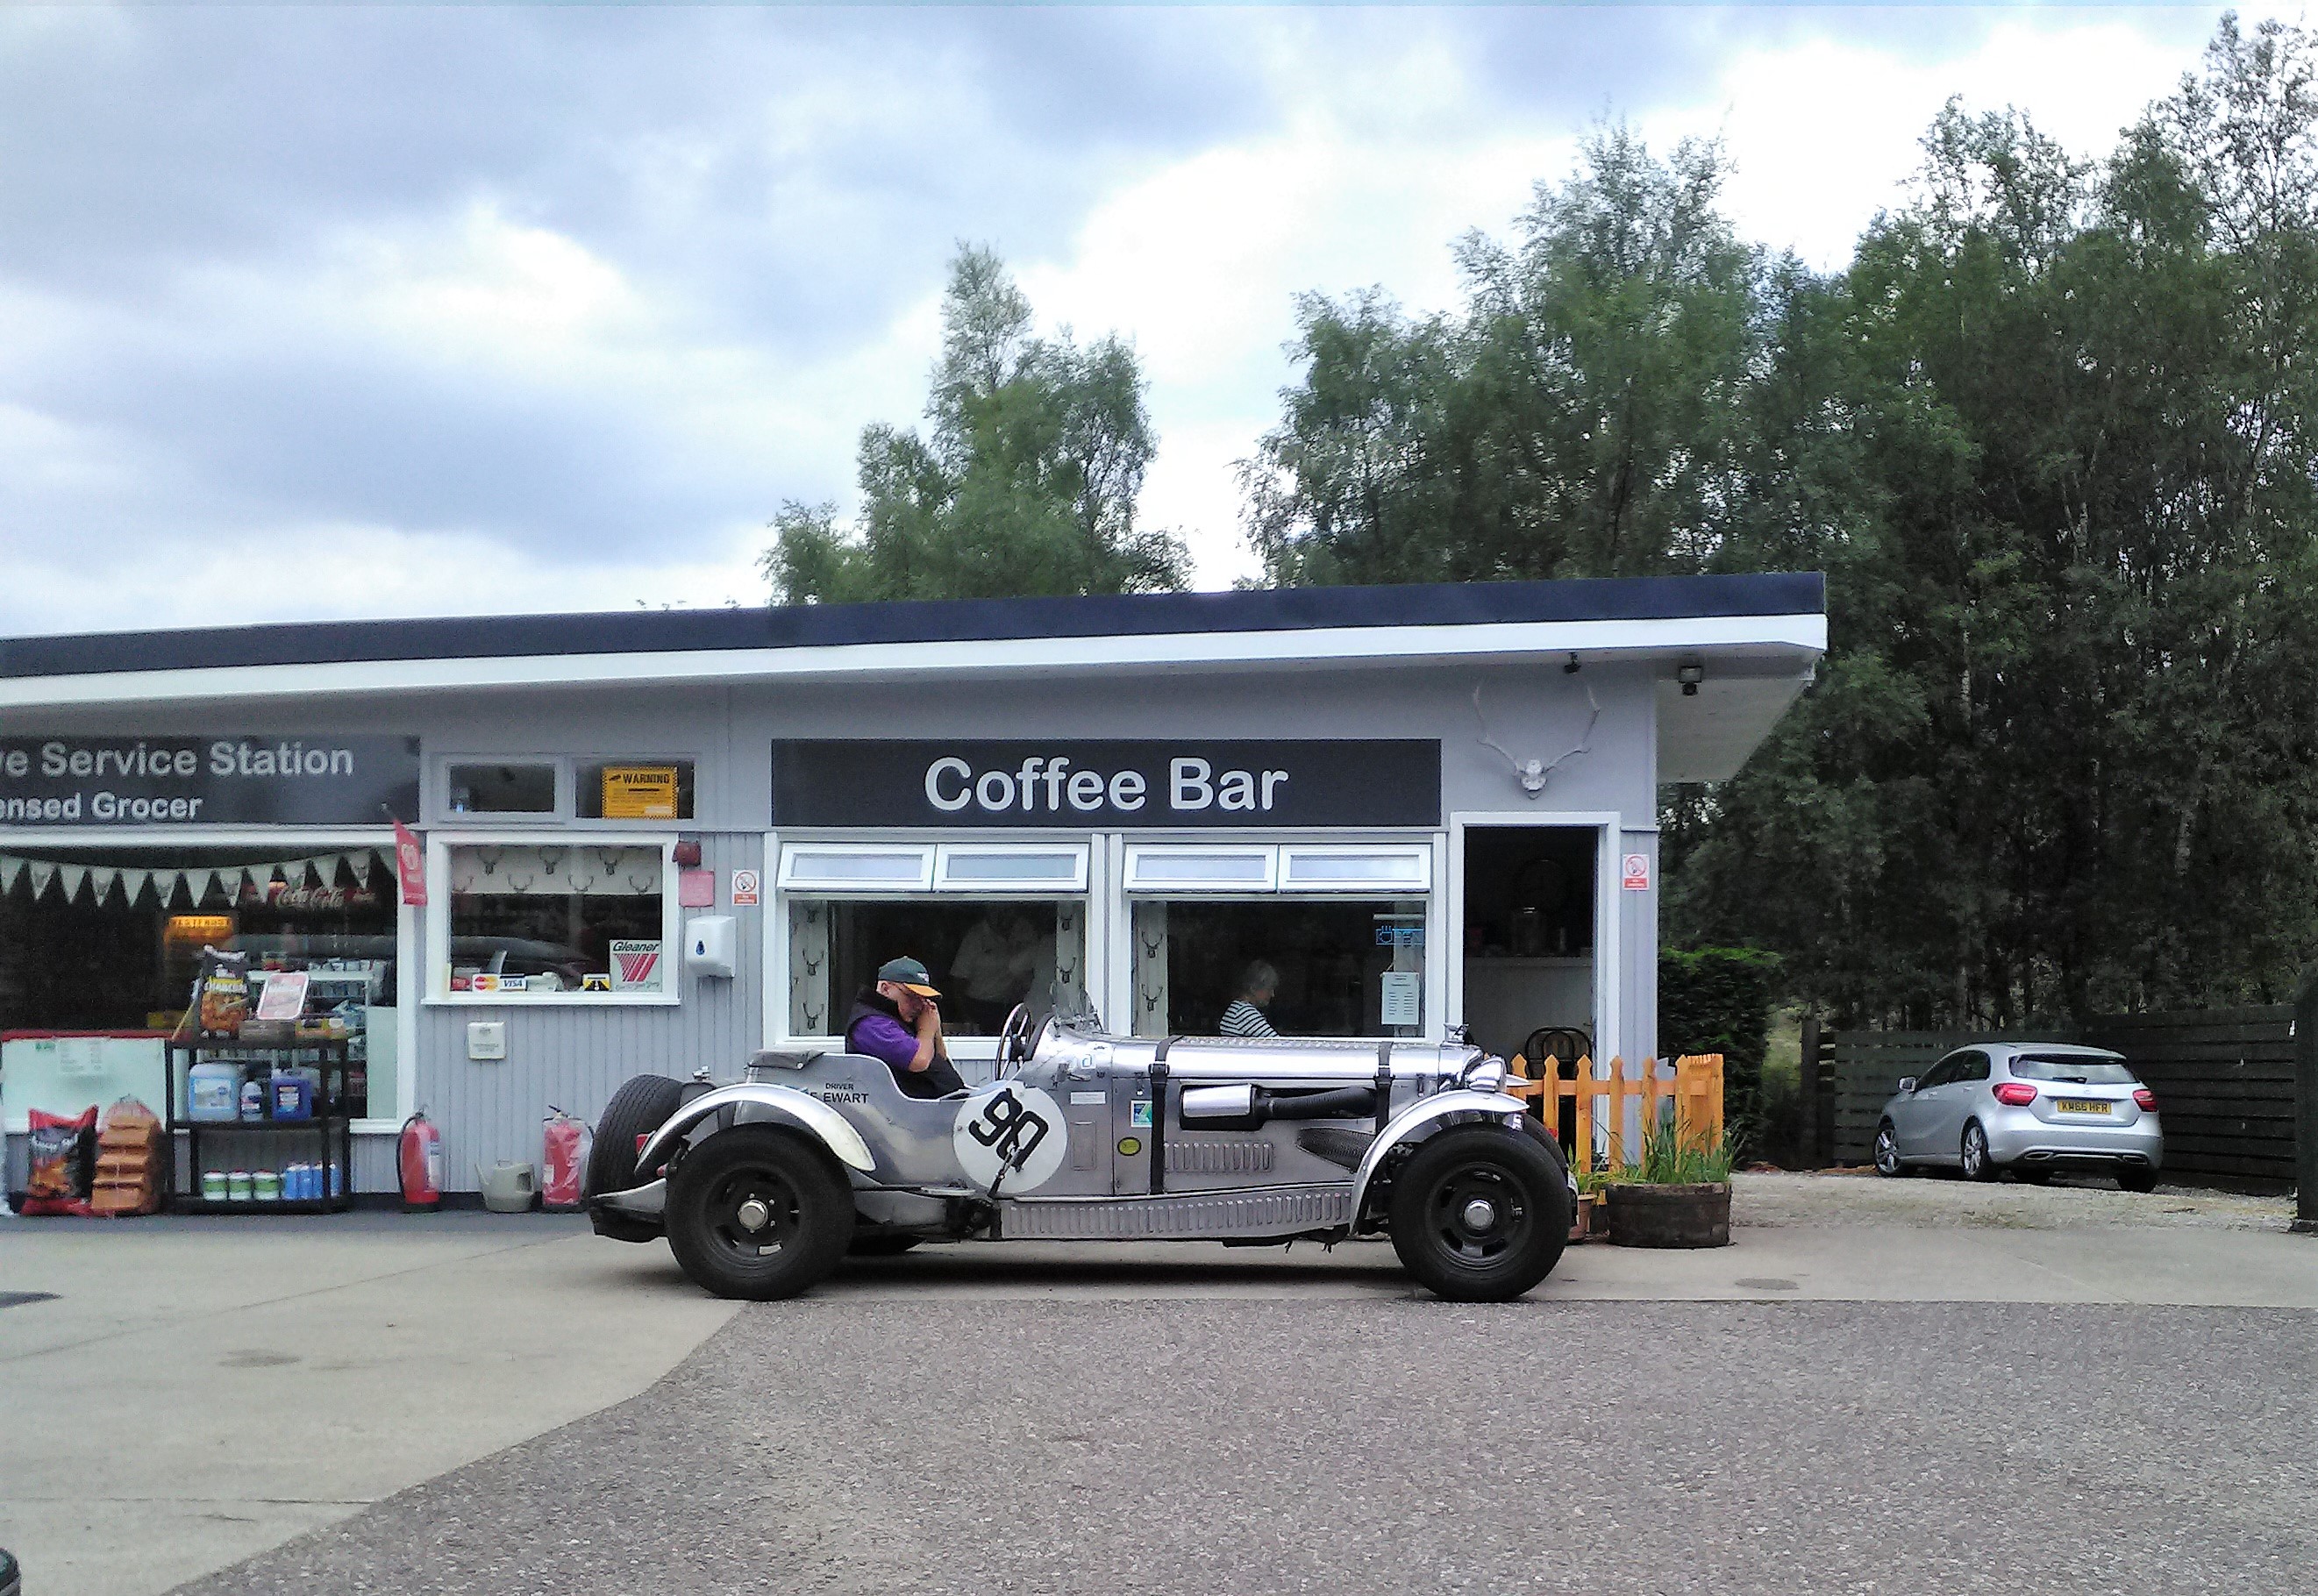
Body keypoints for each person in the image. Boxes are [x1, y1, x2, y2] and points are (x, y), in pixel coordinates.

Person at [845, 956, 966, 1099]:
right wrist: (926, 1031)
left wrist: (935, 1029)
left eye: (923, 999)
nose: (919, 1005)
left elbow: (940, 1057)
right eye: (912, 996)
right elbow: (919, 1062)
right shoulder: (870, 1023)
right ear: (886, 988)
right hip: (901, 1113)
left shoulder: (902, 1016)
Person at [1219, 960, 1281, 1038]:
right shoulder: (1245, 1013)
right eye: (1269, 989)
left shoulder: (1237, 1009)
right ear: (1253, 989)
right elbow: (1278, 1045)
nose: (1272, 994)